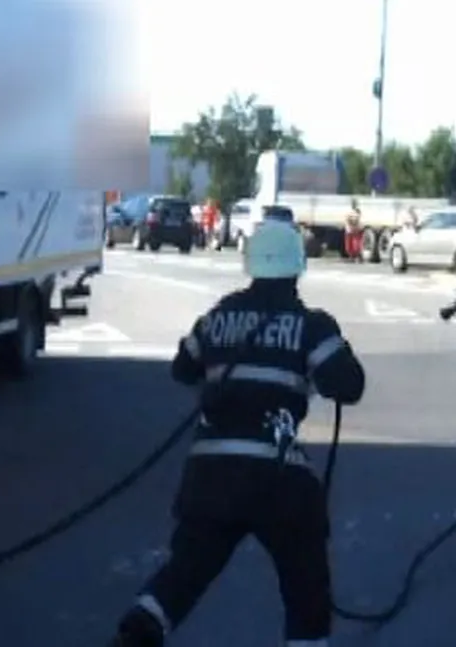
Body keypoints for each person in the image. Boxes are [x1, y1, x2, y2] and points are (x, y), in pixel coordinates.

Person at [107, 221, 366, 647]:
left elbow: (183, 368)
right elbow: (349, 387)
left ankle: (139, 629)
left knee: (186, 571)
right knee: (305, 582)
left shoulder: (219, 315)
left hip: (210, 473)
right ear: (297, 269)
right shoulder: (311, 325)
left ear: (250, 266)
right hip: (277, 478)